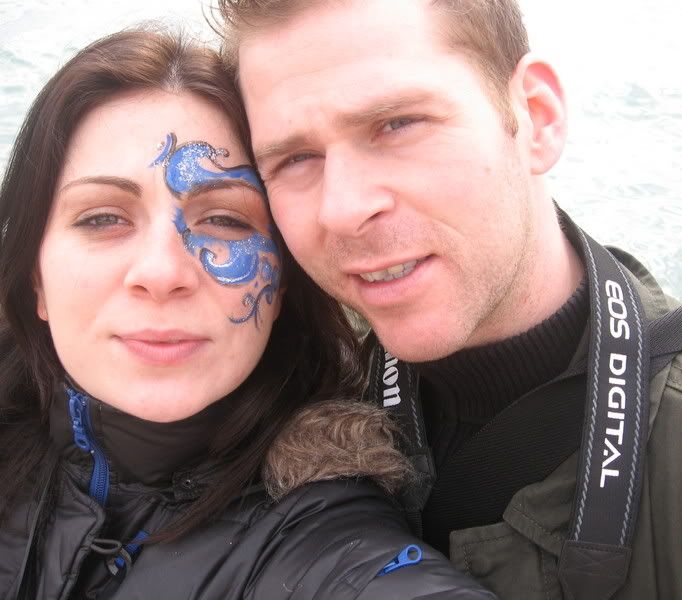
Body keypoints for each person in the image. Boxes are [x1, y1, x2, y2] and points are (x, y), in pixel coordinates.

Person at [215, 1, 682, 598]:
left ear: (537, 118)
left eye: (398, 124)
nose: (342, 208)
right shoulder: (284, 391)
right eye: (295, 159)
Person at [0, 28, 498, 600]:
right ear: (35, 276)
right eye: (102, 219)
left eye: (225, 220)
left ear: (283, 281)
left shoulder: (323, 543)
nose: (162, 272)